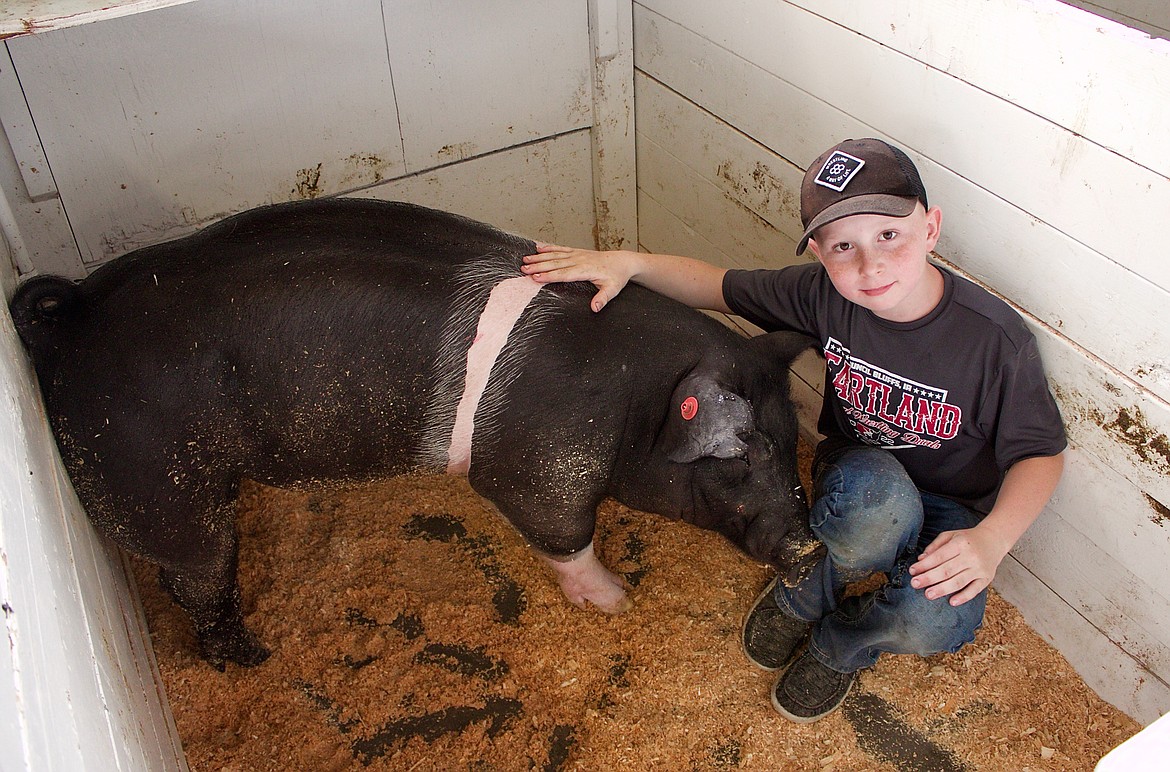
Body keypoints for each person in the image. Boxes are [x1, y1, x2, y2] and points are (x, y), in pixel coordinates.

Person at [520, 138, 1067, 723]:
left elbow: (1041, 453)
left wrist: (993, 539)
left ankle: (843, 643)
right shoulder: (822, 295)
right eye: (842, 246)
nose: (869, 264)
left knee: (934, 622)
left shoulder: (993, 340)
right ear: (819, 255)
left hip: (958, 503)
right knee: (877, 510)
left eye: (889, 235)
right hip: (863, 472)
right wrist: (632, 262)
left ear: (931, 228)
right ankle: (807, 592)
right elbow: (717, 286)